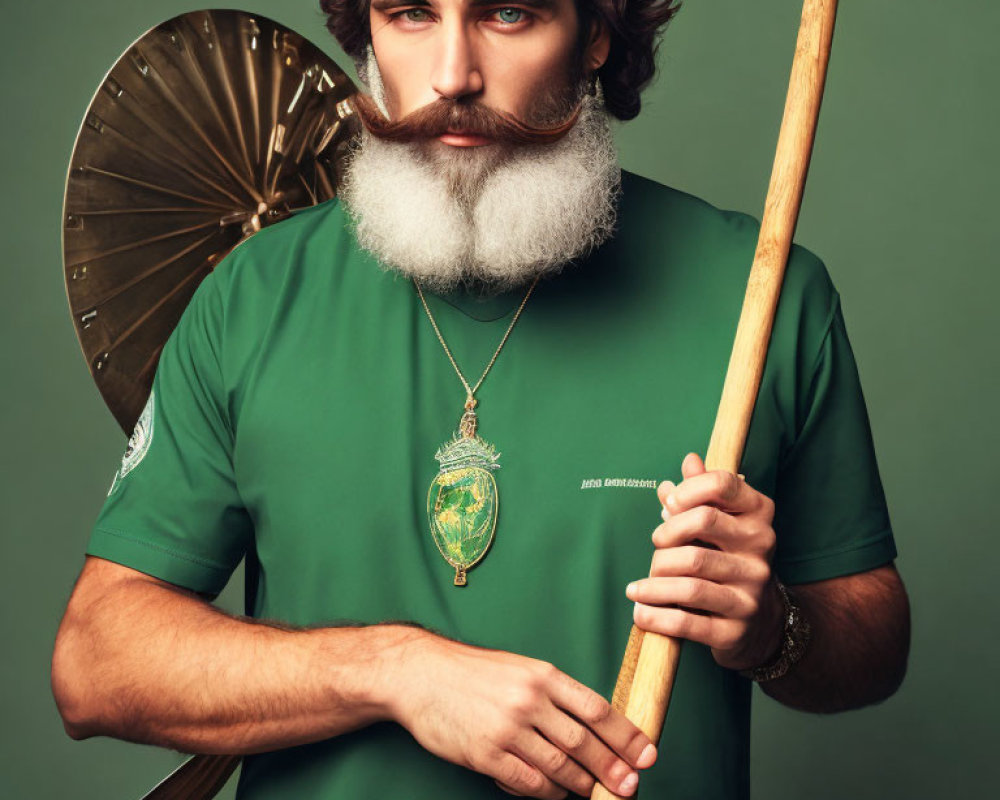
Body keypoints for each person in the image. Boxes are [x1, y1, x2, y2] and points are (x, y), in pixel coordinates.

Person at [51, 1, 910, 798]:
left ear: (597, 33)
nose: (452, 73)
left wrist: (773, 631)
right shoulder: (252, 296)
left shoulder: (760, 294)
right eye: (412, 13)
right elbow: (96, 663)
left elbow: (874, 639)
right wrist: (393, 671)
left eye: (508, 12)